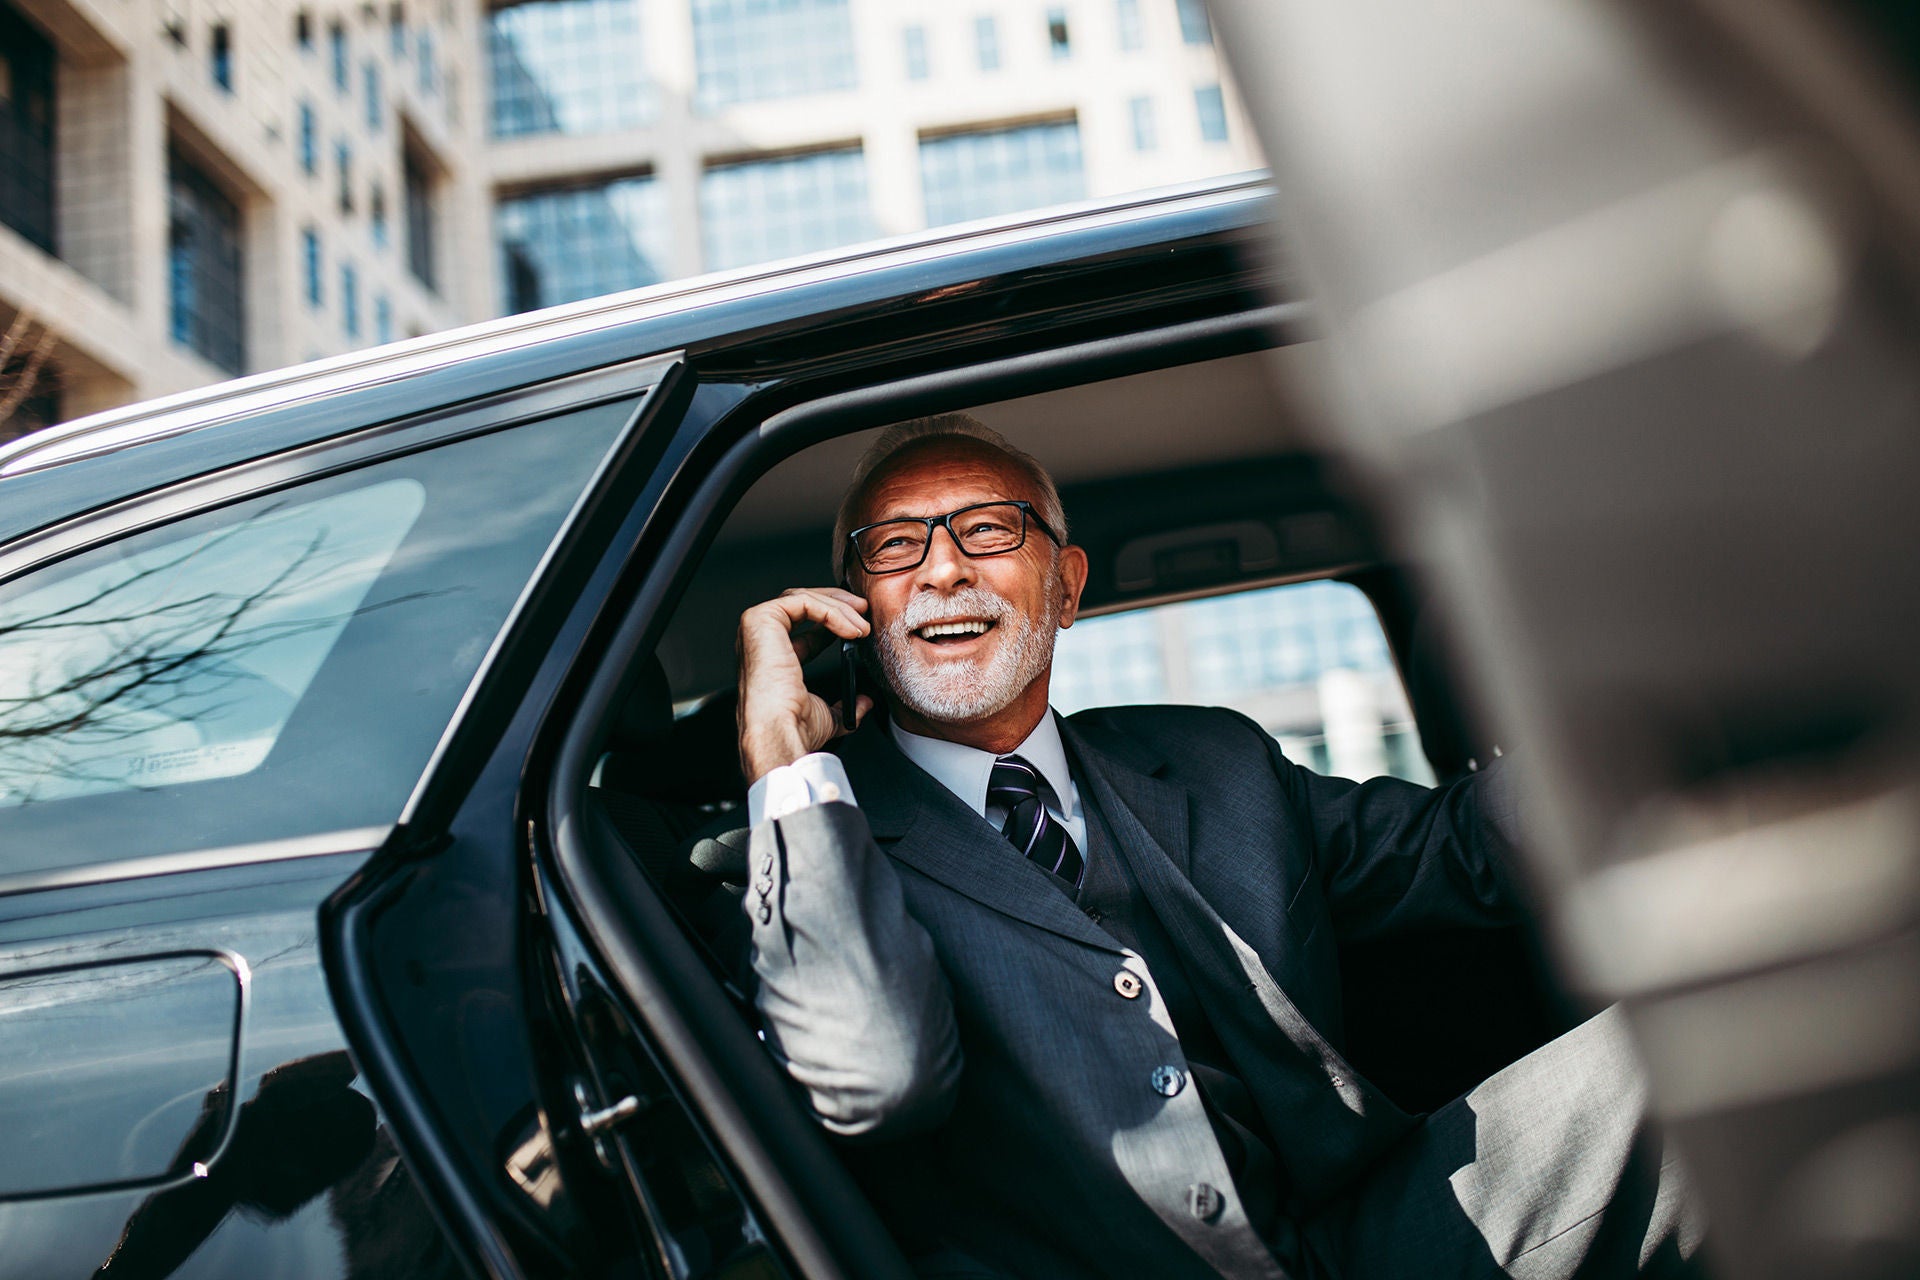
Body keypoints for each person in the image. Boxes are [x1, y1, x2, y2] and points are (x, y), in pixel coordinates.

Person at [733, 414, 1701, 1279]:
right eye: (896, 546)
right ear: (856, 606)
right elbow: (876, 1076)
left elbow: (1462, 845)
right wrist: (783, 764)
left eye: (988, 529)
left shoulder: (1210, 758)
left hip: (1367, 1237)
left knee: (1725, 1030)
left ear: (1065, 587)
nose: (942, 568)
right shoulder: (817, 835)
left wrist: (1683, 690)